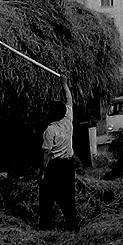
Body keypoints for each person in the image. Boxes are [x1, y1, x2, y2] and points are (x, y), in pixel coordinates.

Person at [39, 77, 78, 231]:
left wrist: (42, 171)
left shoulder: (50, 130)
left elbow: (46, 154)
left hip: (55, 166)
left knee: (46, 196)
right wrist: (64, 83)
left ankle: (46, 225)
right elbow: (69, 99)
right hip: (69, 164)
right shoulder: (68, 119)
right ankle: (72, 225)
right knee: (69, 196)